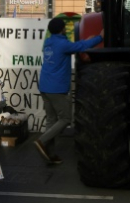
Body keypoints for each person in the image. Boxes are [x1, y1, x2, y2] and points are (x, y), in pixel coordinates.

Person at [34, 17, 103, 164]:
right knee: (65, 119)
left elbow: (76, 45)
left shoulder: (49, 42)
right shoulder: (62, 44)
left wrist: (87, 40)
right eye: (64, 27)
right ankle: (41, 141)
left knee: (51, 121)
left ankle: (50, 155)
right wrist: (99, 37)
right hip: (56, 88)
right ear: (62, 29)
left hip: (44, 86)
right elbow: (81, 46)